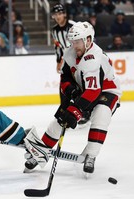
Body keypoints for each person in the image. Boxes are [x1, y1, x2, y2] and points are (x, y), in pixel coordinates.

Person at [25, 22, 122, 174]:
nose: (74, 45)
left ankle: (91, 154)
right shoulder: (70, 53)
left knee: (101, 114)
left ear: (88, 40)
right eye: (72, 42)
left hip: (106, 92)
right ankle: (41, 151)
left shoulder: (94, 58)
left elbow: (94, 91)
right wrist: (70, 93)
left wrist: (75, 110)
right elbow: (65, 78)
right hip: (84, 90)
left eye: (77, 42)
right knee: (61, 119)